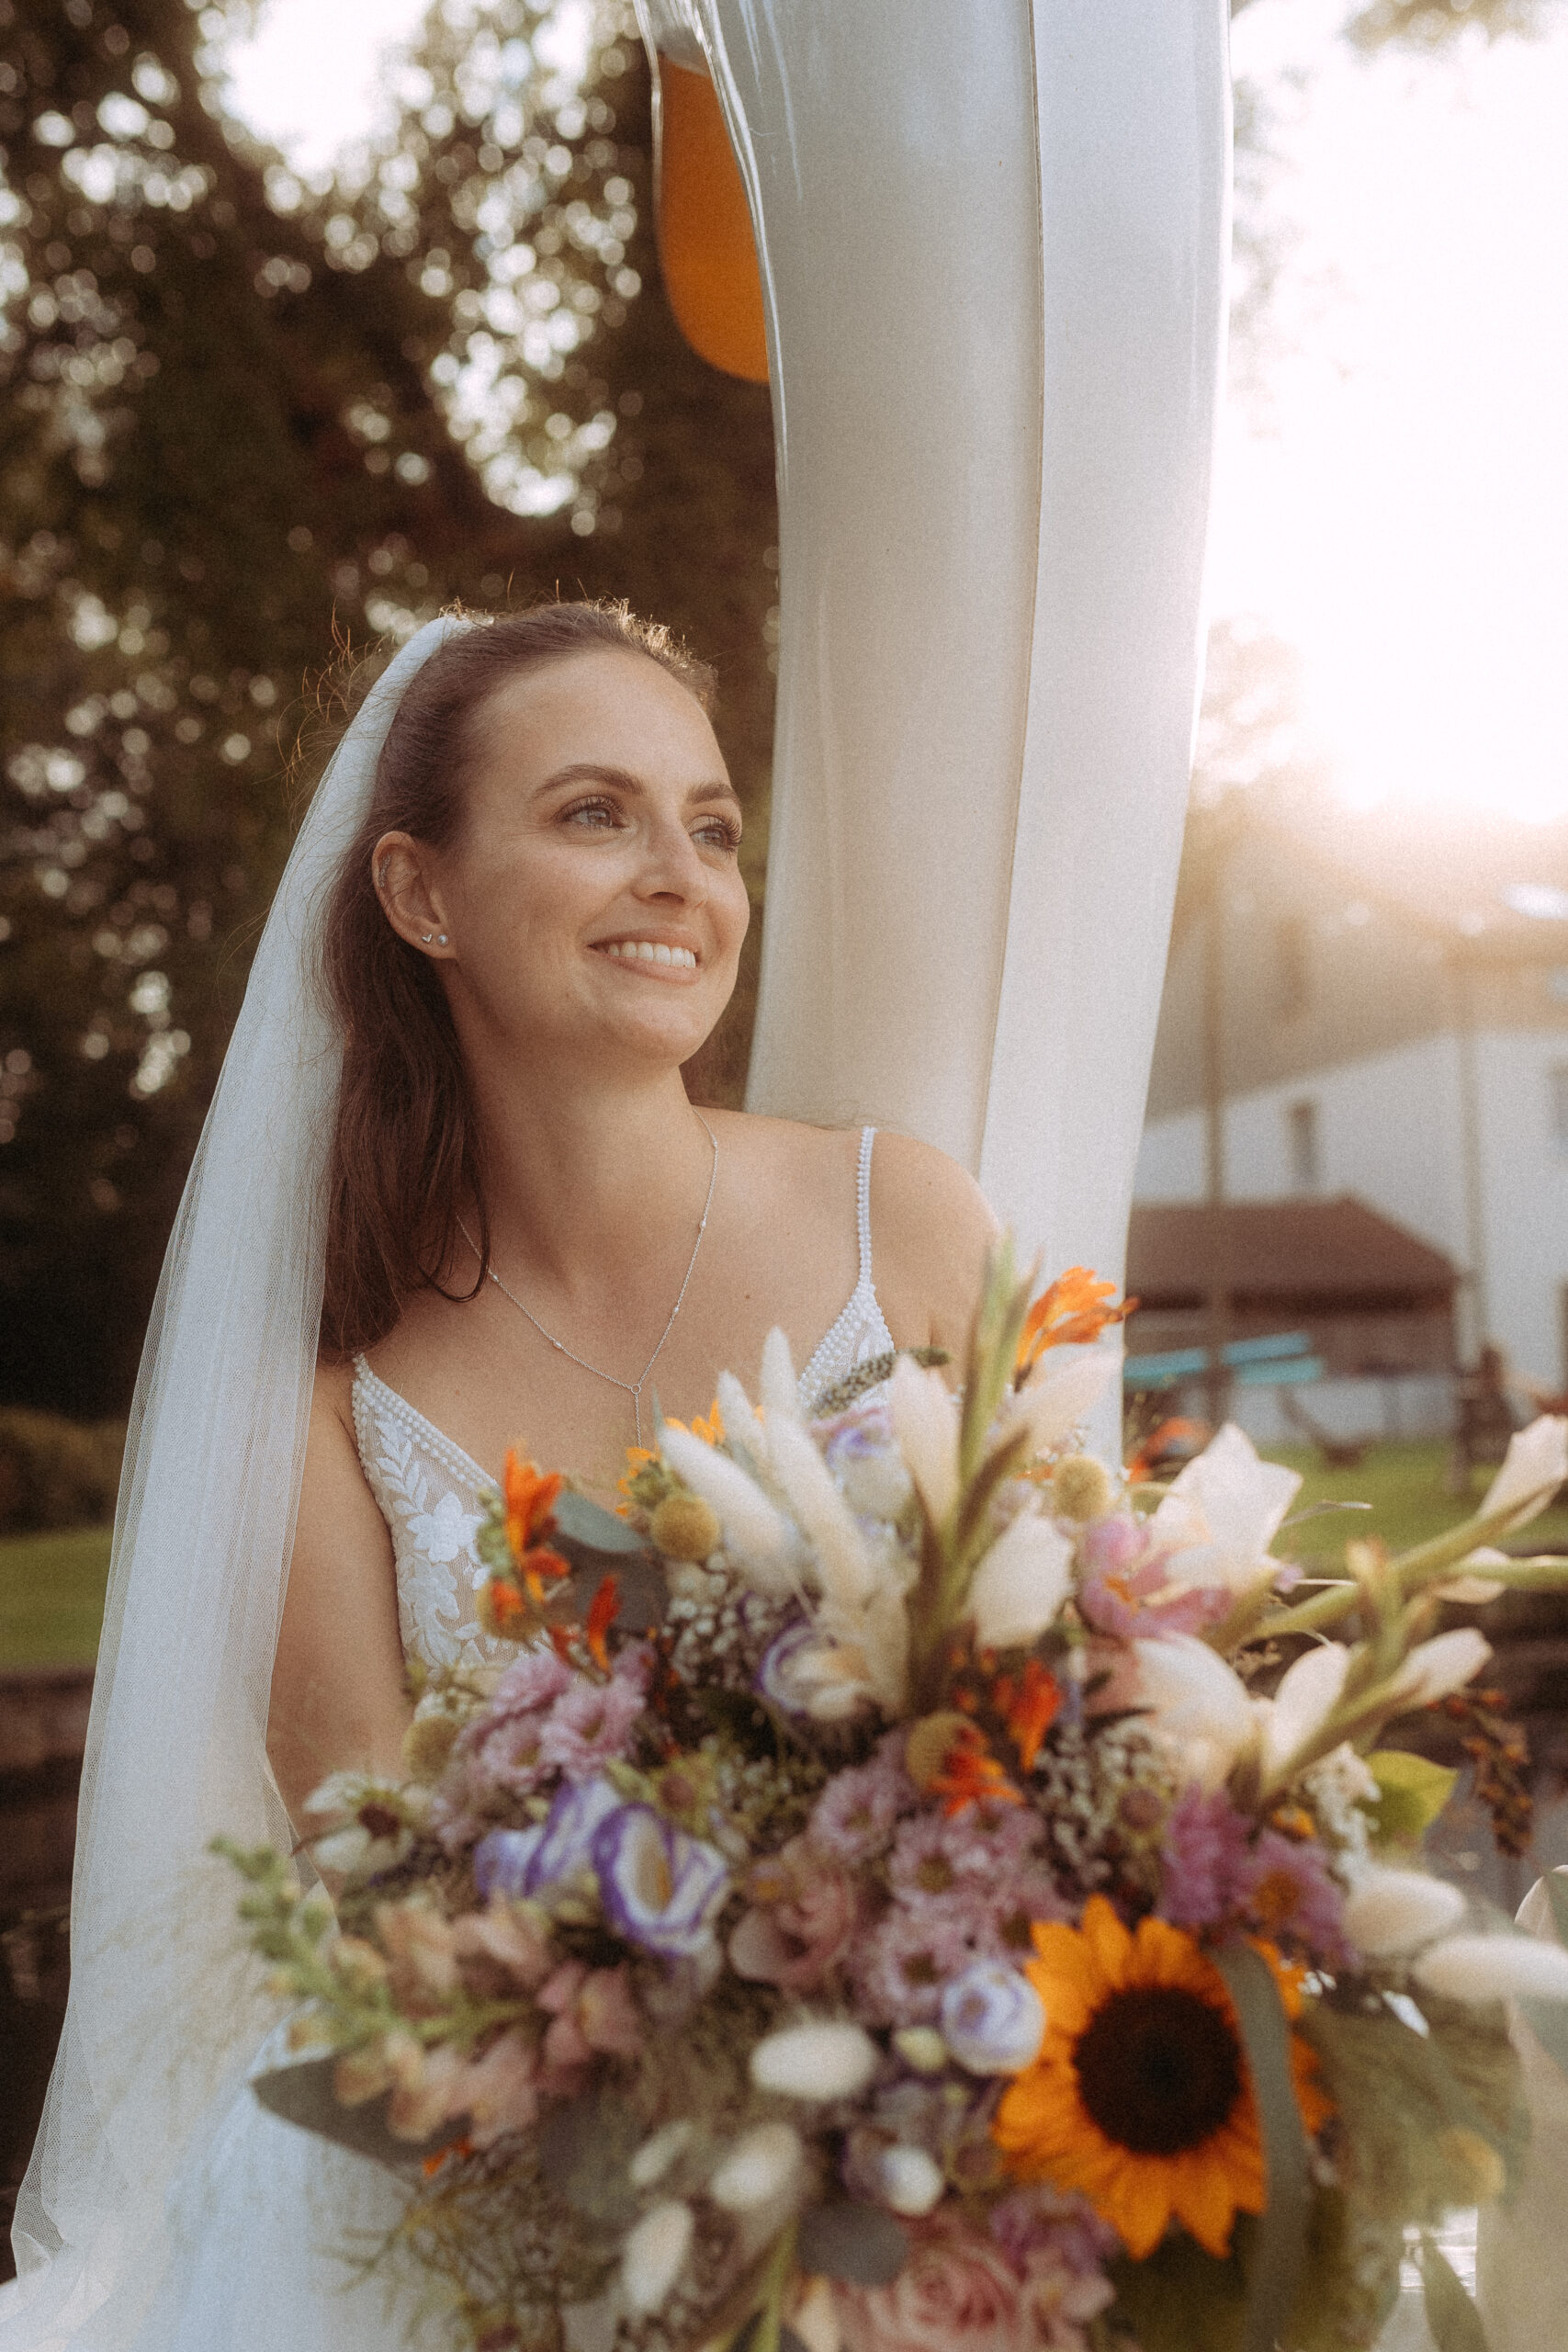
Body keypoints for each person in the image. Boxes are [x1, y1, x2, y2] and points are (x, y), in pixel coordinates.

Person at [1, 605, 997, 2349]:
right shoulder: (322, 1388)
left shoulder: (903, 1227)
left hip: (962, 2101)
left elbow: (1079, 1678)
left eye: (711, 827)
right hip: (525, 2175)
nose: (680, 875)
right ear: (421, 893)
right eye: (595, 812)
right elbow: (381, 1884)